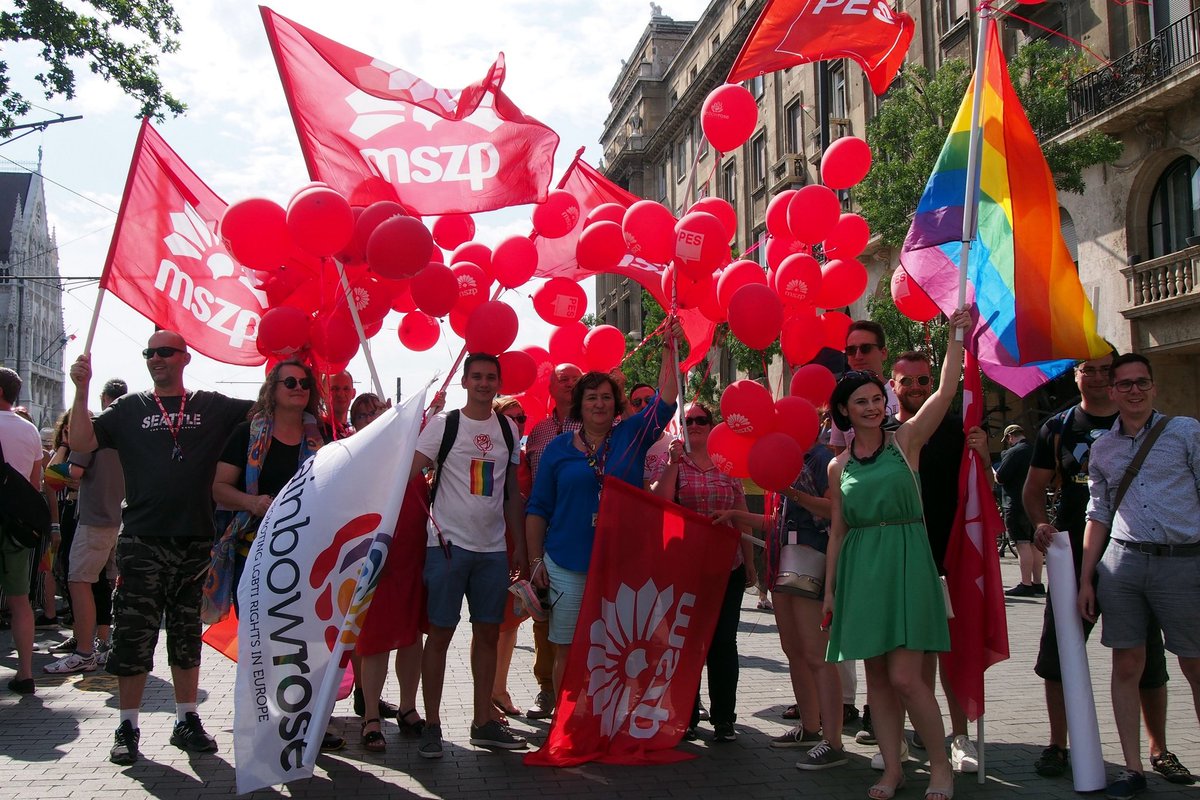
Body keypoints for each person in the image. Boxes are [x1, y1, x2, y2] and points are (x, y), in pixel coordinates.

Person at [67, 331, 253, 765]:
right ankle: (127, 726)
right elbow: (80, 442)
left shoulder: (211, 405)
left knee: (186, 635)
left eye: (164, 352)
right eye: (148, 353)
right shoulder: (128, 408)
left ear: (185, 358)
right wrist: (80, 390)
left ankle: (186, 719)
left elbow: (268, 409)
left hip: (195, 541)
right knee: (133, 636)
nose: (155, 358)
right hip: (141, 541)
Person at [824, 308, 970, 800]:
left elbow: (946, 391)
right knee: (878, 682)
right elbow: (839, 532)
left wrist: (956, 336)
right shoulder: (837, 466)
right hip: (861, 569)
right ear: (843, 411)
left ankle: (940, 767)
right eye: (859, 402)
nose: (869, 407)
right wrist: (830, 593)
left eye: (874, 399)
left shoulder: (905, 441)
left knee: (907, 677)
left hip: (908, 561)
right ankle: (892, 769)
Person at [1022, 351, 1182, 783]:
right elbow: (1033, 489)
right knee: (1059, 652)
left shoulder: (1155, 428)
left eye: (1104, 371)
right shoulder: (1057, 427)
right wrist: (1040, 523)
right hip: (1075, 554)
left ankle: (1160, 750)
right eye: (1086, 369)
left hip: (1137, 557)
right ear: (1075, 376)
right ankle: (1058, 744)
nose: (1095, 376)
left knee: (1145, 659)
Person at [526, 323, 680, 695]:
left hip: (622, 564)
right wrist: (535, 563)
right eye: (591, 397)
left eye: (607, 397)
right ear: (580, 404)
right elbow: (537, 509)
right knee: (567, 647)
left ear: (616, 404)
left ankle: (612, 725)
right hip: (567, 564)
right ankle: (566, 728)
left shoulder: (632, 435)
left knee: (621, 648)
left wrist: (669, 349)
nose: (599, 403)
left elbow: (666, 398)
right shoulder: (558, 449)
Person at [1078, 353, 1200, 798]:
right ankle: (1132, 769)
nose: (1132, 390)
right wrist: (1087, 578)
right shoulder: (1103, 448)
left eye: (1140, 383)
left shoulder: (1186, 432)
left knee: (1194, 664)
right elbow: (1098, 514)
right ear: (1112, 391)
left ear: (1153, 387)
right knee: (1126, 663)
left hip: (1183, 561)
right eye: (1124, 384)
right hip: (1123, 564)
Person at [409, 353, 528, 758]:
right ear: (463, 381)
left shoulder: (509, 429)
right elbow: (411, 470)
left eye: (490, 377)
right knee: (440, 634)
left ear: (498, 383)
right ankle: (431, 724)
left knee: (489, 634)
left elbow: (511, 493)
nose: (482, 383)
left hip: (493, 550)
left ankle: (482, 721)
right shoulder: (445, 425)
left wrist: (520, 547)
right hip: (447, 547)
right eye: (475, 376)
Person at [887, 350, 990, 774]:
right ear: (892, 385)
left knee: (952, 647)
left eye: (923, 381)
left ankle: (960, 736)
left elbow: (984, 493)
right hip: (904, 557)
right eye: (906, 381)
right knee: (913, 655)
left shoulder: (958, 427)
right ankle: (916, 739)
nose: (915, 387)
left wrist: (983, 455)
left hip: (952, 554)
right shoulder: (882, 434)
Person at [719, 436, 843, 766]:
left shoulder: (818, 457)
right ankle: (810, 727)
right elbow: (776, 522)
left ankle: (833, 741)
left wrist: (791, 491)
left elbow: (833, 510)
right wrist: (735, 514)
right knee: (794, 651)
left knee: (817, 655)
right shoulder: (778, 458)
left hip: (809, 562)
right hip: (780, 566)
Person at [649, 402, 755, 745]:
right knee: (688, 643)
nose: (694, 425)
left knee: (723, 643)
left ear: (712, 425)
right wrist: (672, 464)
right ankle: (687, 715)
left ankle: (724, 718)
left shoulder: (729, 464)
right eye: (688, 420)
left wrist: (751, 565)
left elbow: (741, 515)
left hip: (728, 566)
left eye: (701, 420)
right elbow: (660, 502)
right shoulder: (675, 463)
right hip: (686, 567)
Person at [354, 389, 428, 752]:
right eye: (365, 415)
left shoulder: (409, 461)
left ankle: (408, 707)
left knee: (412, 637)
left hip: (413, 560)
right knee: (375, 642)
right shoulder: (353, 463)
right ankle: (370, 715)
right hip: (374, 566)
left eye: (379, 414)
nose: (373, 419)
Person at [43, 378, 127, 674]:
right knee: (105, 585)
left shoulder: (91, 432)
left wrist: (64, 449)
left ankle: (84, 650)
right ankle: (104, 645)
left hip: (95, 517)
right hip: (121, 518)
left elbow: (65, 474)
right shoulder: (125, 430)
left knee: (79, 581)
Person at [521, 361, 583, 720]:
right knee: (543, 619)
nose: (570, 385)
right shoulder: (539, 431)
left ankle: (582, 692)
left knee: (583, 620)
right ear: (551, 388)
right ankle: (547, 690)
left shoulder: (598, 425)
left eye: (576, 379)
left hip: (582, 537)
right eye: (563, 379)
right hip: (543, 536)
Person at [0, 366, 45, 694]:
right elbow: (34, 485)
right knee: (20, 600)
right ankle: (26, 673)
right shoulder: (29, 430)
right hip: (16, 526)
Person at [490, 395, 533, 719]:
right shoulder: (487, 452)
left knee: (511, 621)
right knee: (491, 624)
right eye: (510, 418)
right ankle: (490, 691)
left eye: (521, 418)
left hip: (518, 547)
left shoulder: (526, 457)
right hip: (489, 545)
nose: (518, 424)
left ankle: (499, 687)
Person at [828, 320, 899, 456]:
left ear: (883, 353)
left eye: (865, 348)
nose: (858, 356)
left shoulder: (900, 392)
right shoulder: (842, 400)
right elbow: (840, 455)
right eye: (851, 350)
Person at [995, 423, 1041, 597]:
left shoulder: (1013, 452)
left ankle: (1025, 584)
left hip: (1016, 502)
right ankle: (1038, 582)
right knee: (1034, 544)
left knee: (1022, 544)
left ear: (1009, 437)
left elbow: (1000, 477)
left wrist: (993, 473)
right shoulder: (1036, 449)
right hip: (1035, 502)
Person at [324, 370, 356, 440]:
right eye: (334, 389)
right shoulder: (315, 432)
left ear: (353, 393)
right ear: (323, 393)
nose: (341, 394)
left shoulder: (355, 434)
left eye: (346, 389)